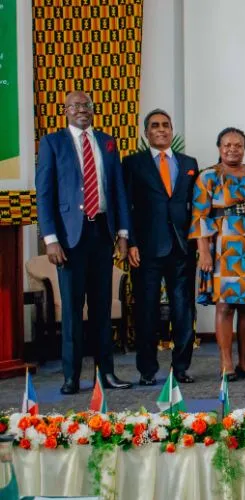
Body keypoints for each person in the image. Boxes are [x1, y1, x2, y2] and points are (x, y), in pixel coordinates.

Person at [35, 91, 133, 394]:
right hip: (69, 239)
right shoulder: (53, 143)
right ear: (65, 110)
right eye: (75, 105)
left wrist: (123, 234)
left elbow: (118, 190)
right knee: (73, 309)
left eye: (86, 105)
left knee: (102, 308)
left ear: (93, 109)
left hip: (102, 233)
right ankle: (72, 377)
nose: (82, 109)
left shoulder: (107, 142)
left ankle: (106, 374)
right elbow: (44, 194)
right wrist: (51, 239)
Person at [123, 108, 198, 385]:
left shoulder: (189, 162)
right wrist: (130, 242)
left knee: (183, 309)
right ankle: (147, 371)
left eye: (166, 125)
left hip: (182, 247)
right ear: (146, 133)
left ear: (171, 130)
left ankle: (181, 367)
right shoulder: (133, 163)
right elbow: (125, 205)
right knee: (147, 311)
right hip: (146, 249)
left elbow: (196, 205)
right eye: (155, 125)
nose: (162, 129)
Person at [190, 127, 245, 381]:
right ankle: (226, 363)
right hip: (222, 245)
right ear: (219, 147)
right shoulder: (208, 176)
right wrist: (203, 252)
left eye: (238, 145)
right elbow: (199, 216)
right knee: (225, 305)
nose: (233, 149)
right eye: (227, 145)